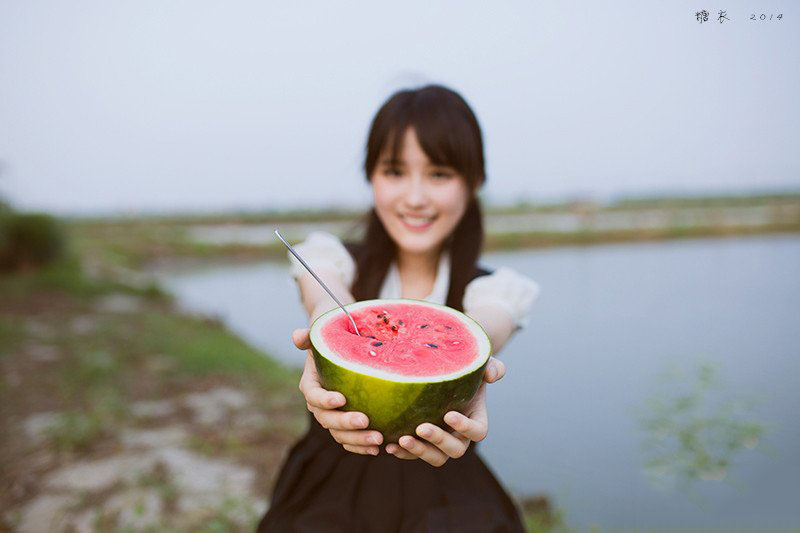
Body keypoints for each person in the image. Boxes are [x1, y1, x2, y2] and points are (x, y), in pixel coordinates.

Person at [258, 85, 540, 532]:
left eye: (439, 174)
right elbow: (322, 292)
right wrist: (324, 331)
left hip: (447, 487)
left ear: (474, 182)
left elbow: (485, 325)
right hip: (331, 486)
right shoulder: (333, 261)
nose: (414, 197)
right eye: (394, 171)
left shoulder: (495, 289)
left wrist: (473, 370)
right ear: (371, 177)